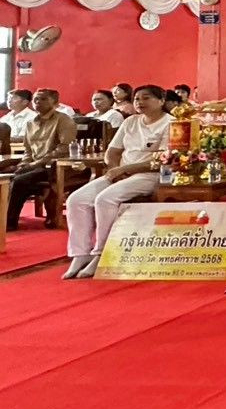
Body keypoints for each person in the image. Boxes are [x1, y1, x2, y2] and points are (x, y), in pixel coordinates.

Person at [62, 85, 171, 278]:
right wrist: (115, 169)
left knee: (105, 199)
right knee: (76, 199)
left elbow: (163, 160)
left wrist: (126, 169)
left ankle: (102, 252)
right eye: (137, 99)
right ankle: (80, 253)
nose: (140, 103)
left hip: (149, 175)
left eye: (146, 98)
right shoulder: (130, 122)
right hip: (120, 173)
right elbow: (112, 152)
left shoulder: (170, 123)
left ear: (161, 101)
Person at [6, 89, 81, 230]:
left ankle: (9, 222)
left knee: (19, 181)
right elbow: (28, 150)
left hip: (54, 166)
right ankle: (5, 216)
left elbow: (64, 148)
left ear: (55, 102)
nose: (38, 102)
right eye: (36, 100)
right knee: (7, 177)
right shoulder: (30, 123)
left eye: (43, 99)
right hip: (35, 165)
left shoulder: (63, 120)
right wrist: (24, 164)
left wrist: (36, 164)